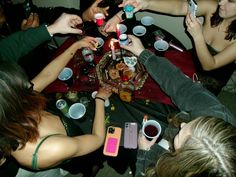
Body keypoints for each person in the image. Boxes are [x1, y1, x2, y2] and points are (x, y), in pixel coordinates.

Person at [120, 35, 236, 177]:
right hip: (167, 143)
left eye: (185, 135)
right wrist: (143, 54)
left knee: (128, 141)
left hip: (162, 158)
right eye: (195, 123)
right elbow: (180, 85)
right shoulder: (216, 117)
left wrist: (144, 153)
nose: (182, 126)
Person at [0, 36, 112, 175]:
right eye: (23, 88)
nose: (30, 85)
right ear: (11, 103)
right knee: (89, 162)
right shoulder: (50, 148)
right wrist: (100, 99)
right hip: (74, 152)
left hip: (73, 130)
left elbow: (47, 75)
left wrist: (76, 46)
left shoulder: (10, 108)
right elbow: (98, 139)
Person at [105, 0, 236, 95]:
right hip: (189, 59)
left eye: (230, 1)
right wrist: (146, 3)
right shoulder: (213, 6)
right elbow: (179, 7)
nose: (221, 3)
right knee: (145, 75)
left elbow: (209, 65)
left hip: (209, 81)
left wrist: (198, 36)